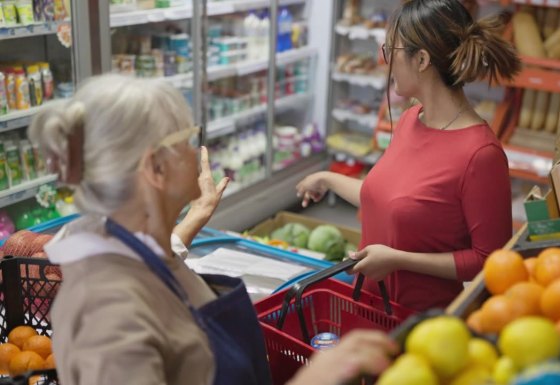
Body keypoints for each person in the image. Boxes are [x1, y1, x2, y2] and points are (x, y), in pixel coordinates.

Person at [30, 74, 397, 385]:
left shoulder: (141, 248)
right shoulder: (105, 316)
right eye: (187, 140)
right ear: (155, 169)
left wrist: (194, 216)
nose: (198, 151)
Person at [297, 0, 520, 312]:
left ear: (422, 59)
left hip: (417, 323)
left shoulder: (481, 155)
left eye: (391, 50)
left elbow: (490, 259)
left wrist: (397, 260)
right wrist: (326, 178)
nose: (384, 60)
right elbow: (392, 202)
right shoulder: (410, 119)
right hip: (367, 305)